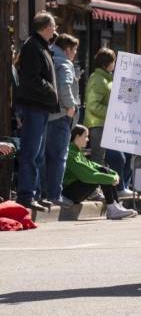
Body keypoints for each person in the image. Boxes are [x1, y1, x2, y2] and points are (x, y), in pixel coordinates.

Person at [15, 12, 60, 212]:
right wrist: (50, 90)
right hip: (33, 106)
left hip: (40, 107)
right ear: (45, 27)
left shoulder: (40, 45)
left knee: (38, 155)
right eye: (53, 26)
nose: (55, 30)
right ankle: (26, 195)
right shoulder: (33, 46)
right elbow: (31, 77)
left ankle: (35, 194)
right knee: (31, 153)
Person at [62, 125, 137, 220]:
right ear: (77, 136)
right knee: (100, 176)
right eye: (85, 136)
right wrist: (111, 178)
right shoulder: (71, 153)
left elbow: (92, 165)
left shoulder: (76, 151)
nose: (88, 139)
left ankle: (115, 205)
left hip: (74, 191)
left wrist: (113, 173)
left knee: (103, 171)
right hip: (69, 194)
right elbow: (86, 176)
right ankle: (112, 207)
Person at [44, 34, 80, 209]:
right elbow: (66, 85)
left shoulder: (48, 57)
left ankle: (44, 193)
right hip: (61, 116)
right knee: (59, 157)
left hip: (47, 115)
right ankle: (55, 195)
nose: (75, 54)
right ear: (67, 49)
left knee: (45, 156)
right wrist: (71, 105)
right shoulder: (65, 63)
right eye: (74, 50)